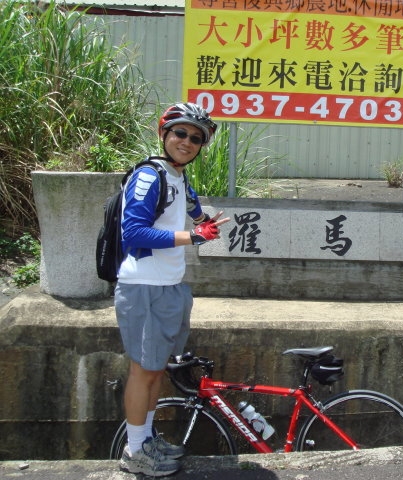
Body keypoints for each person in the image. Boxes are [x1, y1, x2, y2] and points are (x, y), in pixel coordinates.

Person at [115, 102, 229, 477]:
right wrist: (193, 236)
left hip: (168, 286)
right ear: (163, 133)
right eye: (180, 133)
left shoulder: (177, 177)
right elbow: (134, 232)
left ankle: (146, 439)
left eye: (196, 138)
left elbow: (194, 210)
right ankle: (135, 452)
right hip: (144, 286)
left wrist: (205, 222)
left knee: (155, 370)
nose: (187, 142)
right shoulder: (149, 176)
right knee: (143, 371)